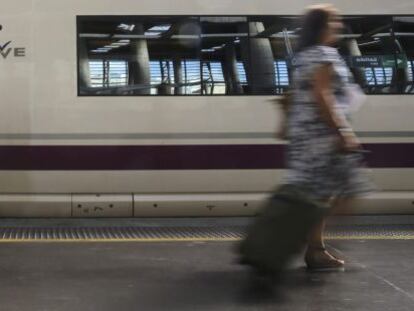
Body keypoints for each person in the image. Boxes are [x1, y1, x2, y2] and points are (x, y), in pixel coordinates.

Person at [285, 4, 372, 270]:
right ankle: (309, 240)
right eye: (334, 22)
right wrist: (343, 132)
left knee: (322, 193)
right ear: (322, 27)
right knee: (349, 190)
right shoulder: (324, 54)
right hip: (323, 136)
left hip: (306, 134)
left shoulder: (303, 56)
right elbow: (322, 94)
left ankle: (315, 248)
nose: (339, 26)